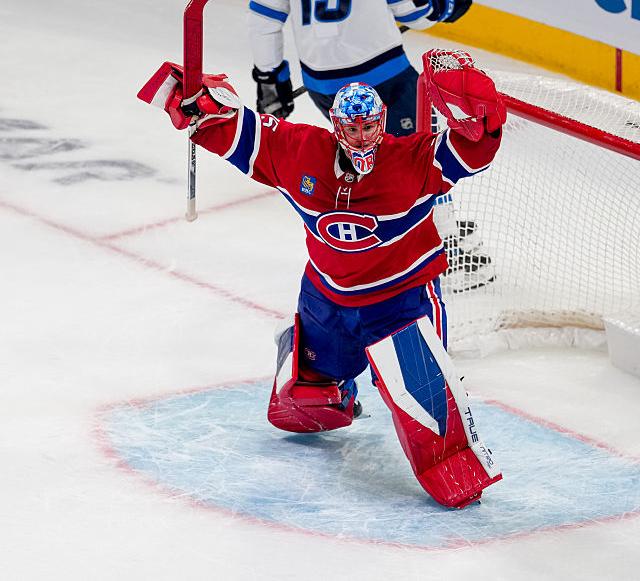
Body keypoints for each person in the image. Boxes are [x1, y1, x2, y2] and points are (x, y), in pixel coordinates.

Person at [137, 48, 505, 509]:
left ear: (382, 123)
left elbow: (474, 147)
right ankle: (327, 375)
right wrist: (200, 105)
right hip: (327, 299)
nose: (362, 136)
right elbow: (242, 131)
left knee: (427, 408)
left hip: (399, 301)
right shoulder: (300, 151)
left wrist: (478, 119)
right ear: (336, 125)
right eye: (352, 128)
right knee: (303, 408)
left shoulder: (413, 159)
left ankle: (451, 453)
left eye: (369, 126)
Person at [248, 0, 492, 291]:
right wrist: (445, 1)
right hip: (384, 77)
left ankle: (379, 250)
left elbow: (264, 16)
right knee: (419, 159)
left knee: (369, 158)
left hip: (323, 85)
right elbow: (414, 11)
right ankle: (441, 254)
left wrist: (270, 76)